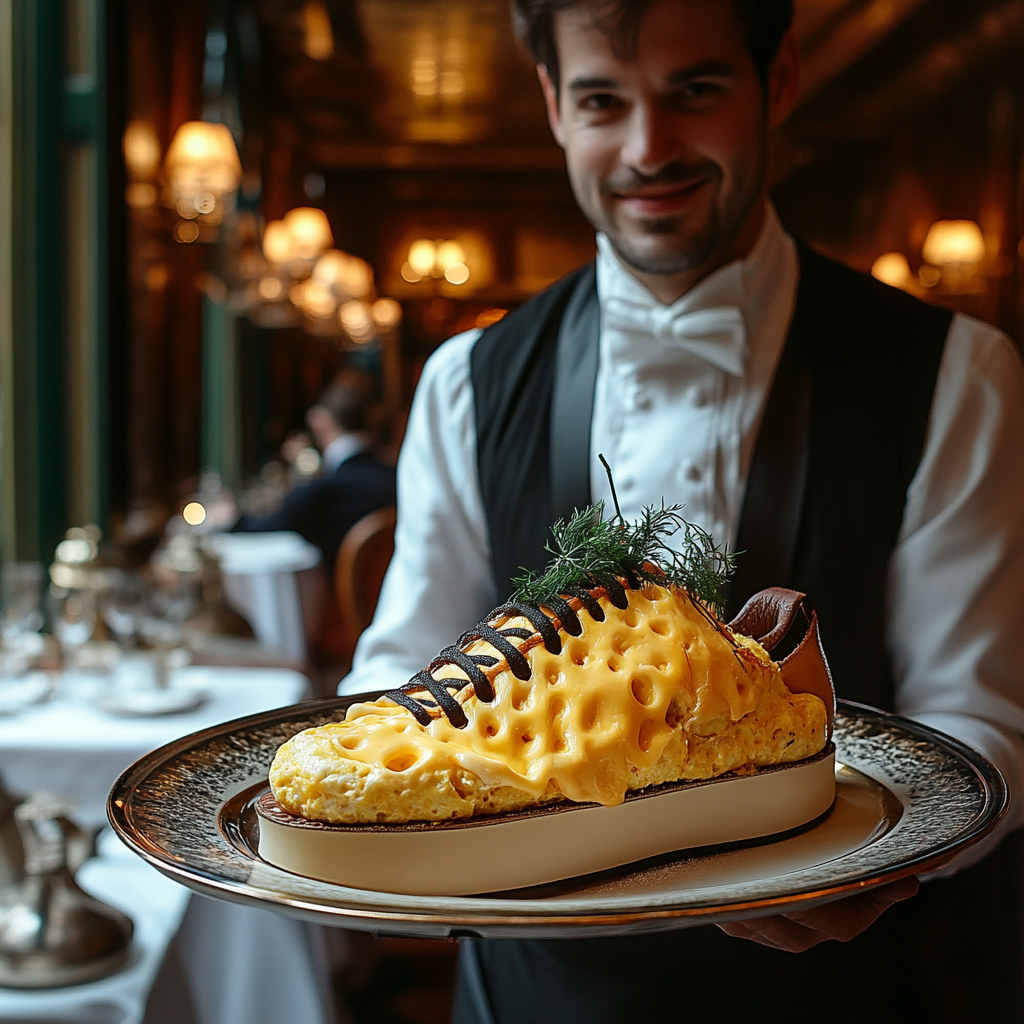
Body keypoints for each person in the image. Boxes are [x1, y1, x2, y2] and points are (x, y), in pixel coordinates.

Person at [341, 0, 1024, 1019]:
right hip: (531, 994)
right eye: (602, 100)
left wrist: (883, 863)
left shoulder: (956, 375)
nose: (647, 147)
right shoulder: (464, 382)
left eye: (693, 91)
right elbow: (393, 684)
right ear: (554, 106)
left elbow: (979, 722)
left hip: (832, 991)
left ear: (777, 80)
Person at [233, 376, 395, 570]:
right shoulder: (399, 479)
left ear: (319, 421)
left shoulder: (321, 494)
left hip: (334, 600)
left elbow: (259, 530)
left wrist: (230, 518)